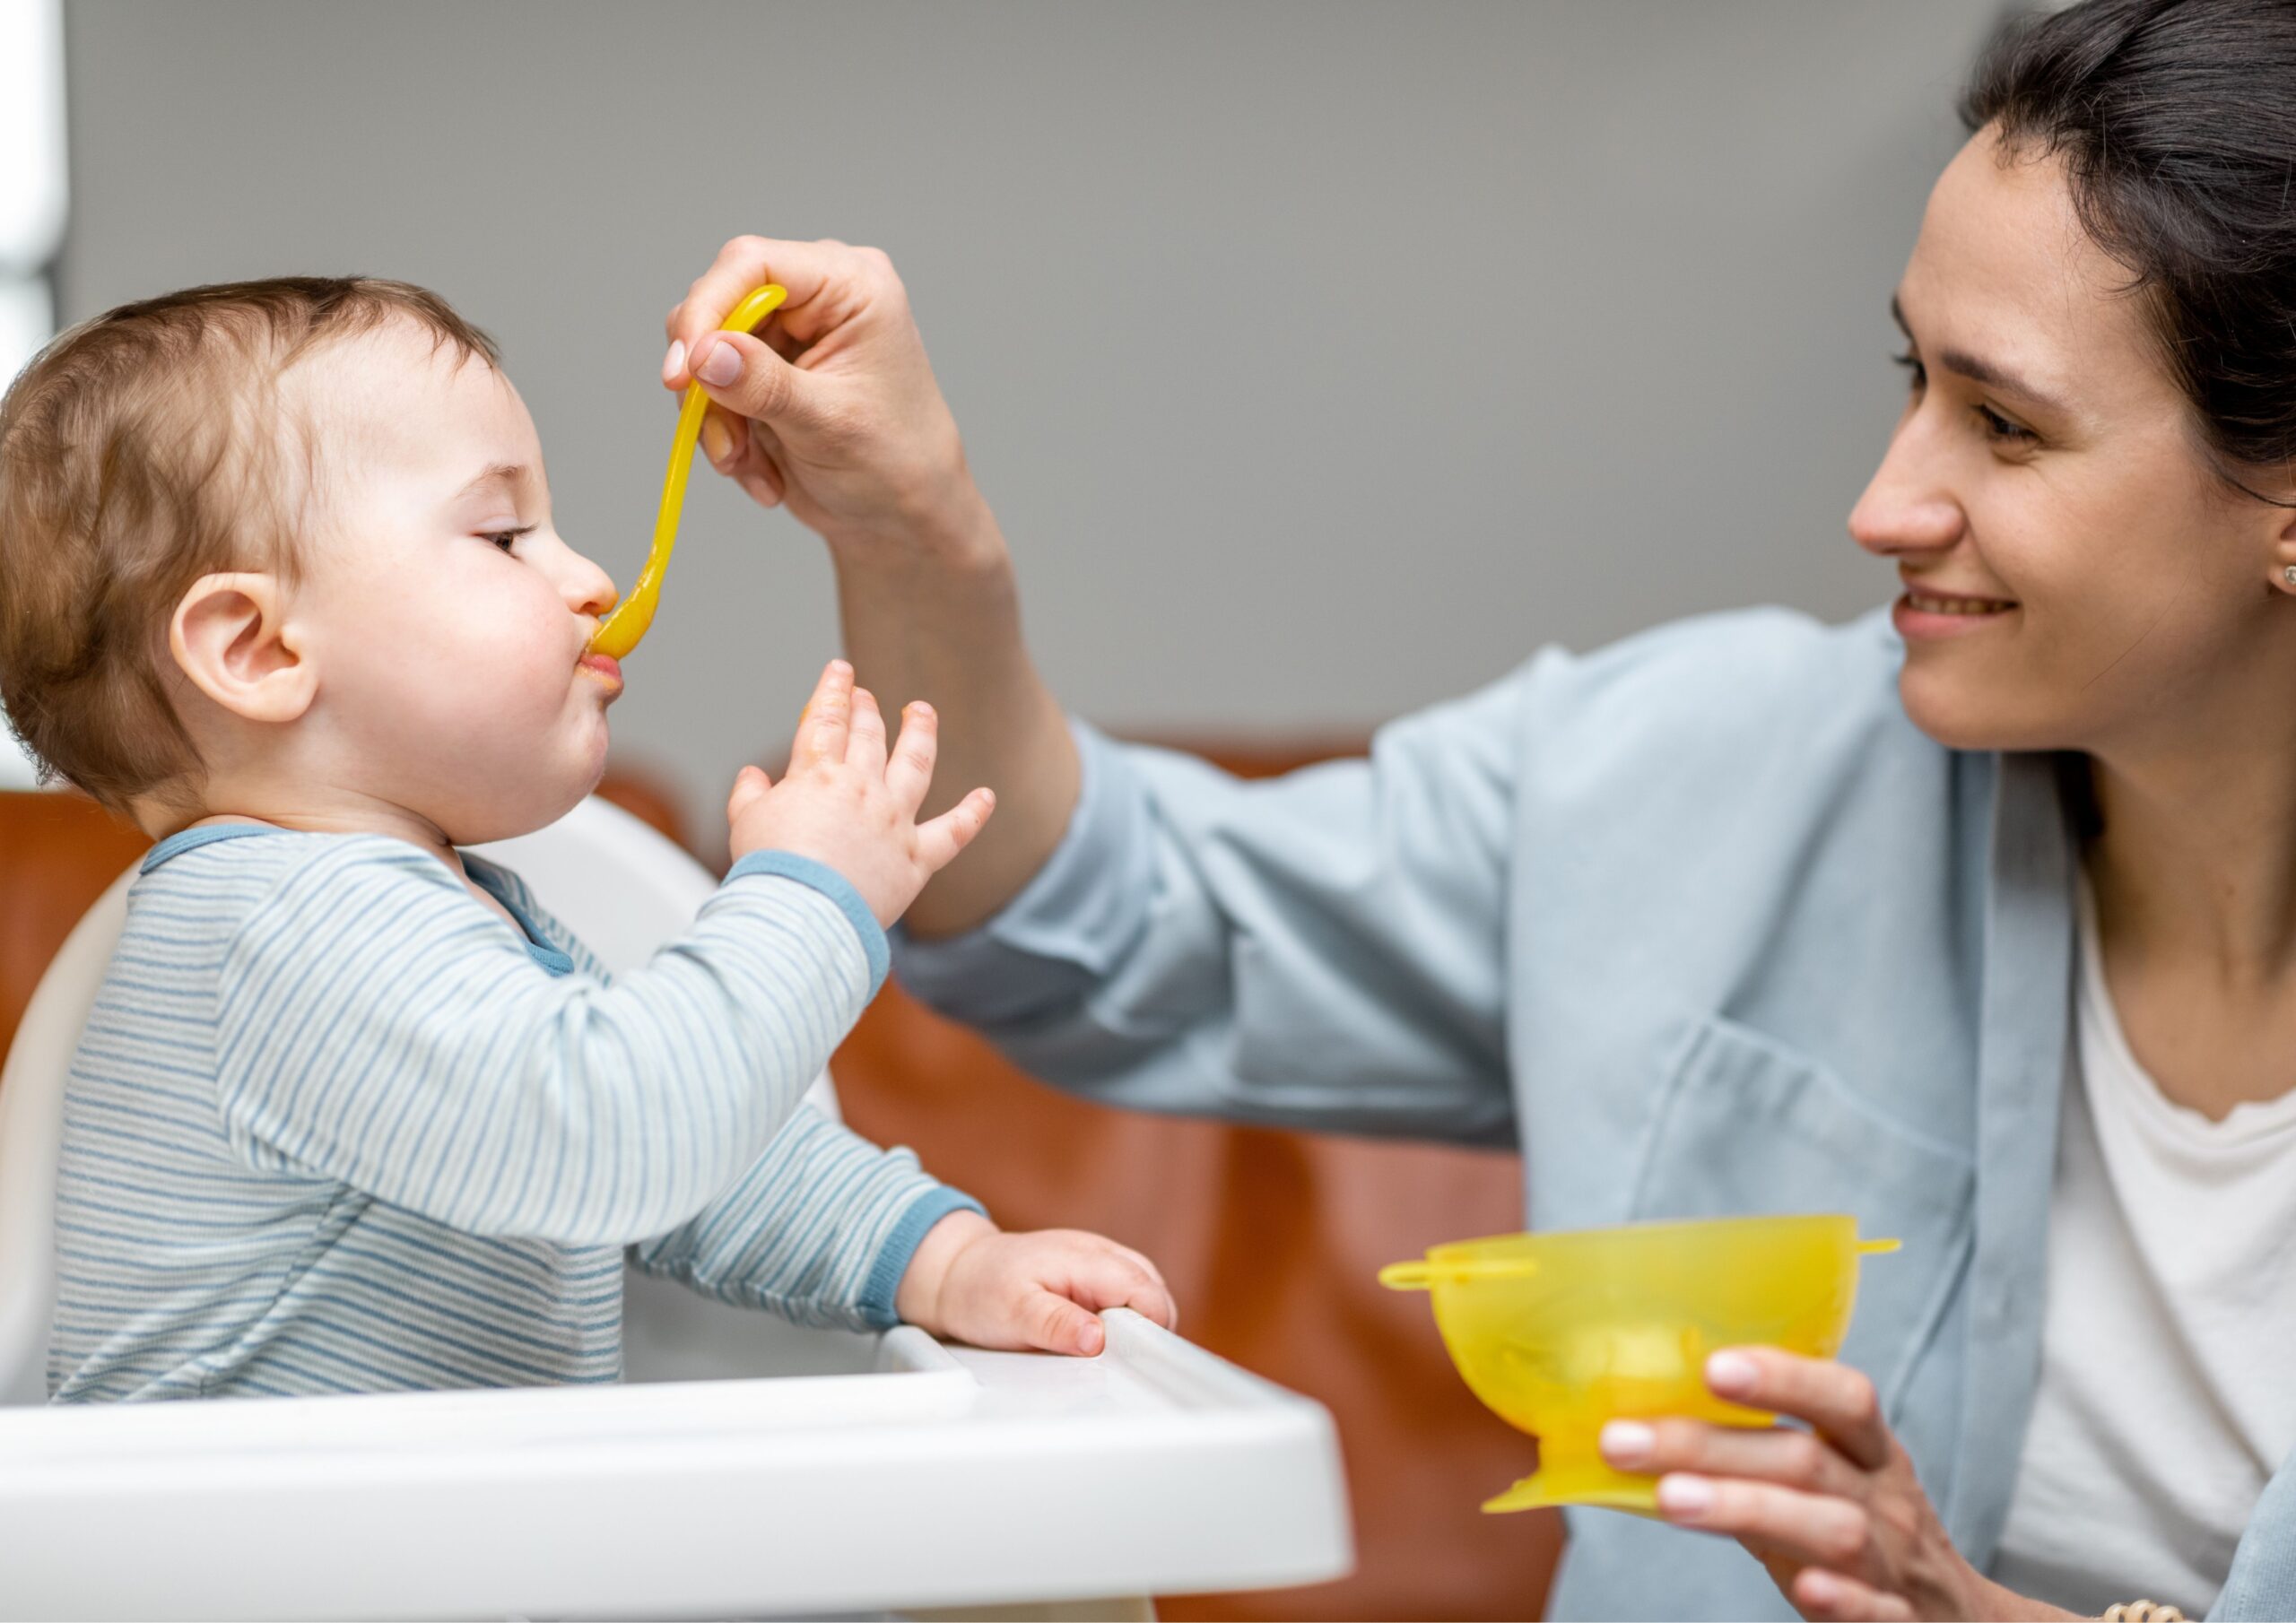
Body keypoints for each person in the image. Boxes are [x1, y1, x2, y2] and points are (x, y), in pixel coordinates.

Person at [650, 0, 2296, 1616]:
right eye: (1909, 378)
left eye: (2004, 424)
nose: (1881, 502)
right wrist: (912, 523)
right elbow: (1098, 917)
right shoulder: (1710, 768)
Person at [0, 276, 1176, 1404]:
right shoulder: (279, 928)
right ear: (256, 651)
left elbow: (695, 1168)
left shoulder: (437, 911)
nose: (591, 576)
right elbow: (626, 1133)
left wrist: (942, 1258)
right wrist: (808, 893)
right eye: (507, 535)